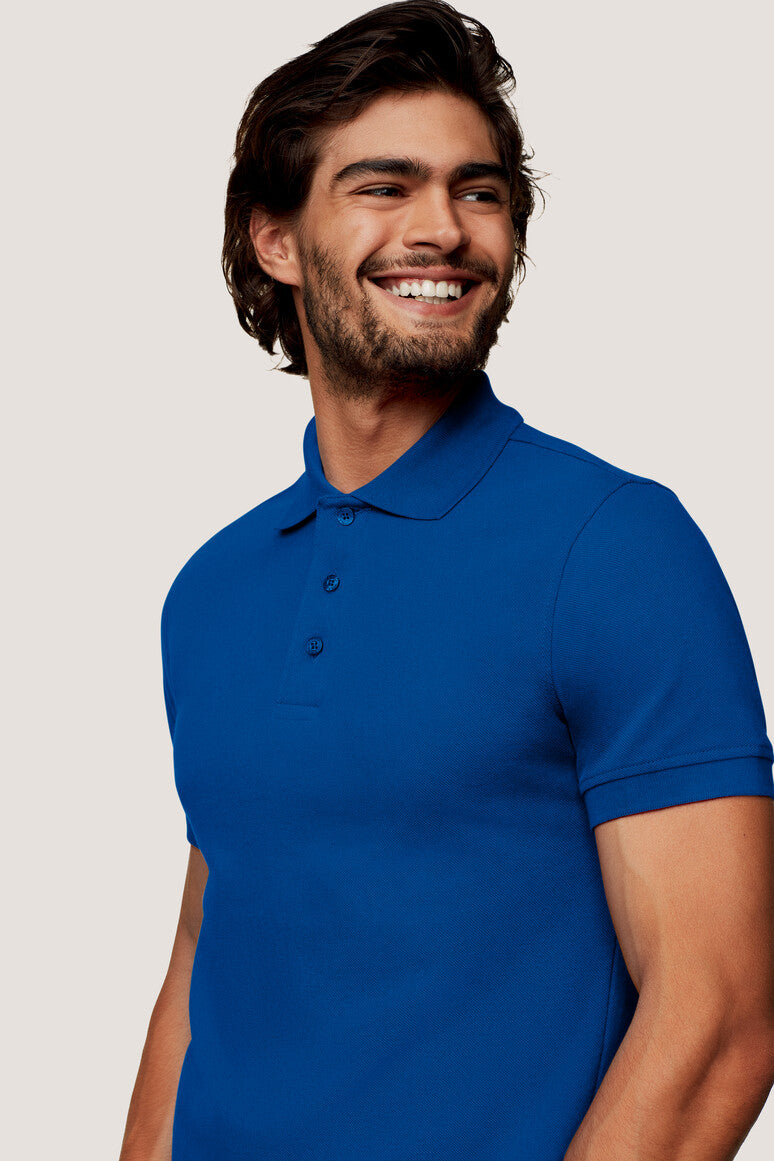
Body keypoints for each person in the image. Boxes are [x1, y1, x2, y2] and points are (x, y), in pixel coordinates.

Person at [119, 3, 774, 1159]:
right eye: (384, 186)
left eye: (479, 191)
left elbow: (719, 1018)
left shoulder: (614, 548)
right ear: (276, 241)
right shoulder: (211, 592)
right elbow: (204, 961)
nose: (444, 229)